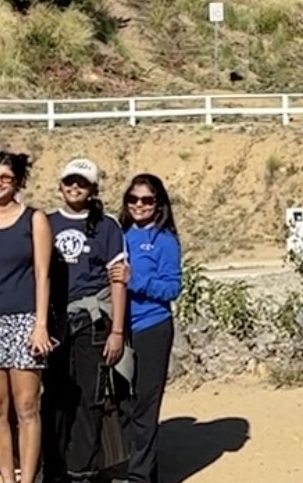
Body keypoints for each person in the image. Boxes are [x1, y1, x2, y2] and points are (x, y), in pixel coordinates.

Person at [0, 153, 55, 483]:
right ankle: (7, 476)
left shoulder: (34, 219)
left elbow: (43, 274)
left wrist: (40, 325)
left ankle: (27, 478)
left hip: (25, 320)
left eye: (5, 177)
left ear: (18, 181)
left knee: (27, 405)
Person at [44, 160, 128, 483]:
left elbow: (117, 279)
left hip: (92, 322)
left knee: (90, 397)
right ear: (60, 185)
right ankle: (54, 468)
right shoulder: (45, 222)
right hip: (54, 321)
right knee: (54, 396)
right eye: (70, 181)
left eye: (82, 182)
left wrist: (116, 330)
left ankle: (82, 470)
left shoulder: (106, 226)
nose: (75, 187)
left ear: (93, 188)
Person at [118, 175, 182, 483]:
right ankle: (140, 466)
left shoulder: (164, 240)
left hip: (151, 327)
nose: (139, 205)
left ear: (158, 204)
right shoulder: (117, 234)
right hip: (118, 329)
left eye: (147, 200)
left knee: (145, 402)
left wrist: (135, 280)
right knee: (121, 402)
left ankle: (139, 476)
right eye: (133, 199)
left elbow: (172, 288)